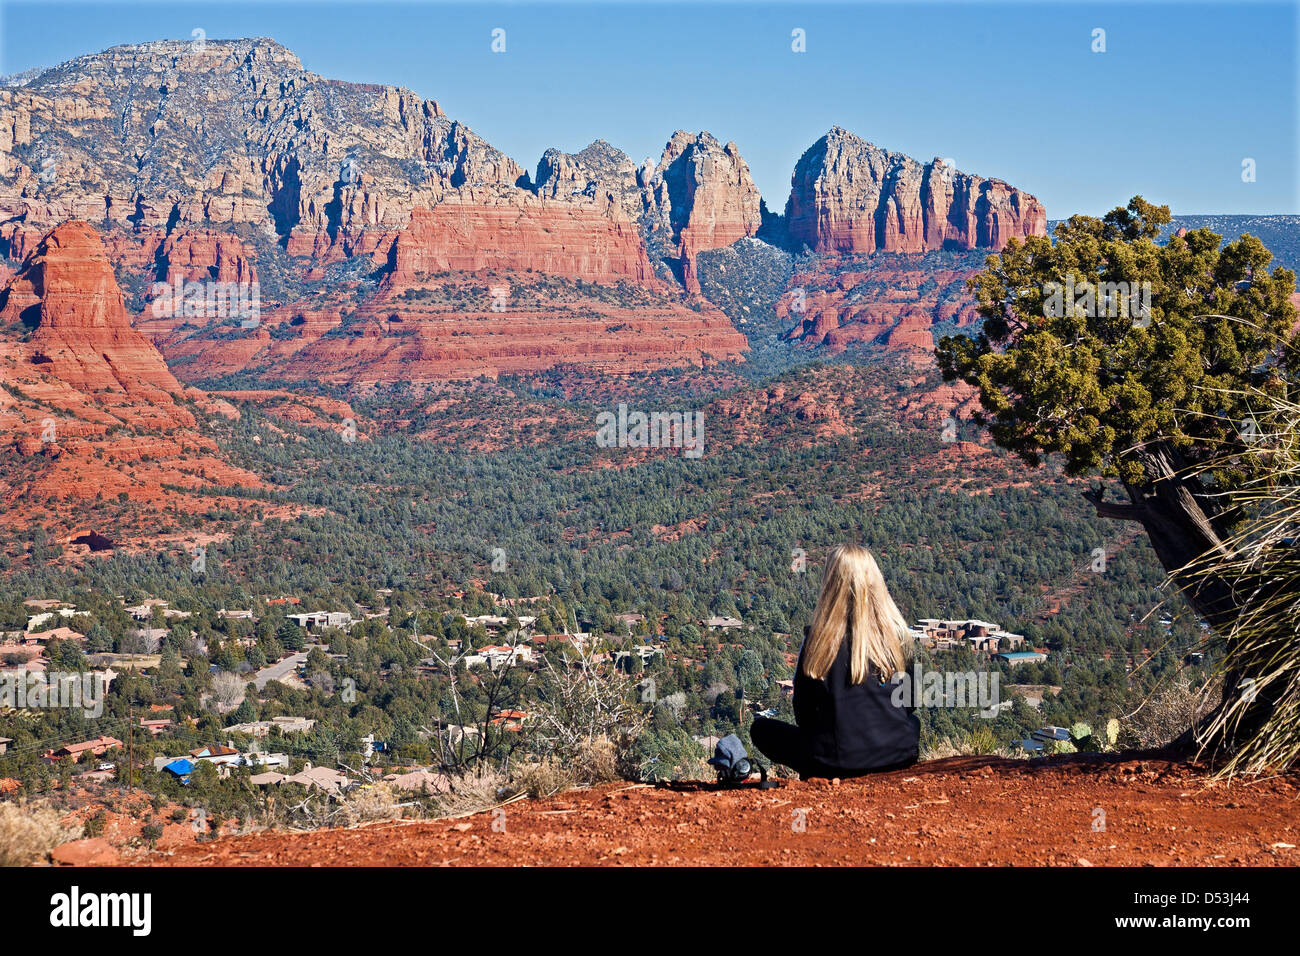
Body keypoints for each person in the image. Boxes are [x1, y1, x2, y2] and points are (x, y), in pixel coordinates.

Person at [751, 543, 919, 778]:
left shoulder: (817, 641)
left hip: (835, 761)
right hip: (897, 755)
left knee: (761, 729)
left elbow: (804, 716)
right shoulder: (899, 637)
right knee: (913, 723)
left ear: (830, 583)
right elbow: (910, 705)